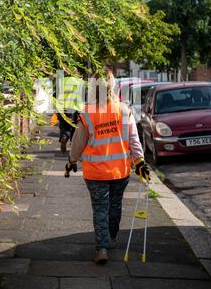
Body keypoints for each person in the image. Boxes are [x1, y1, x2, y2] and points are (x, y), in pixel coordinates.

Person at [64, 69, 150, 264]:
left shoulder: (87, 113)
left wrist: (72, 161)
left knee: (100, 210)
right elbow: (134, 141)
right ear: (113, 86)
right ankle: (110, 238)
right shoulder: (124, 109)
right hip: (120, 171)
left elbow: (78, 142)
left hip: (95, 173)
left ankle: (102, 247)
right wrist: (140, 163)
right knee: (115, 207)